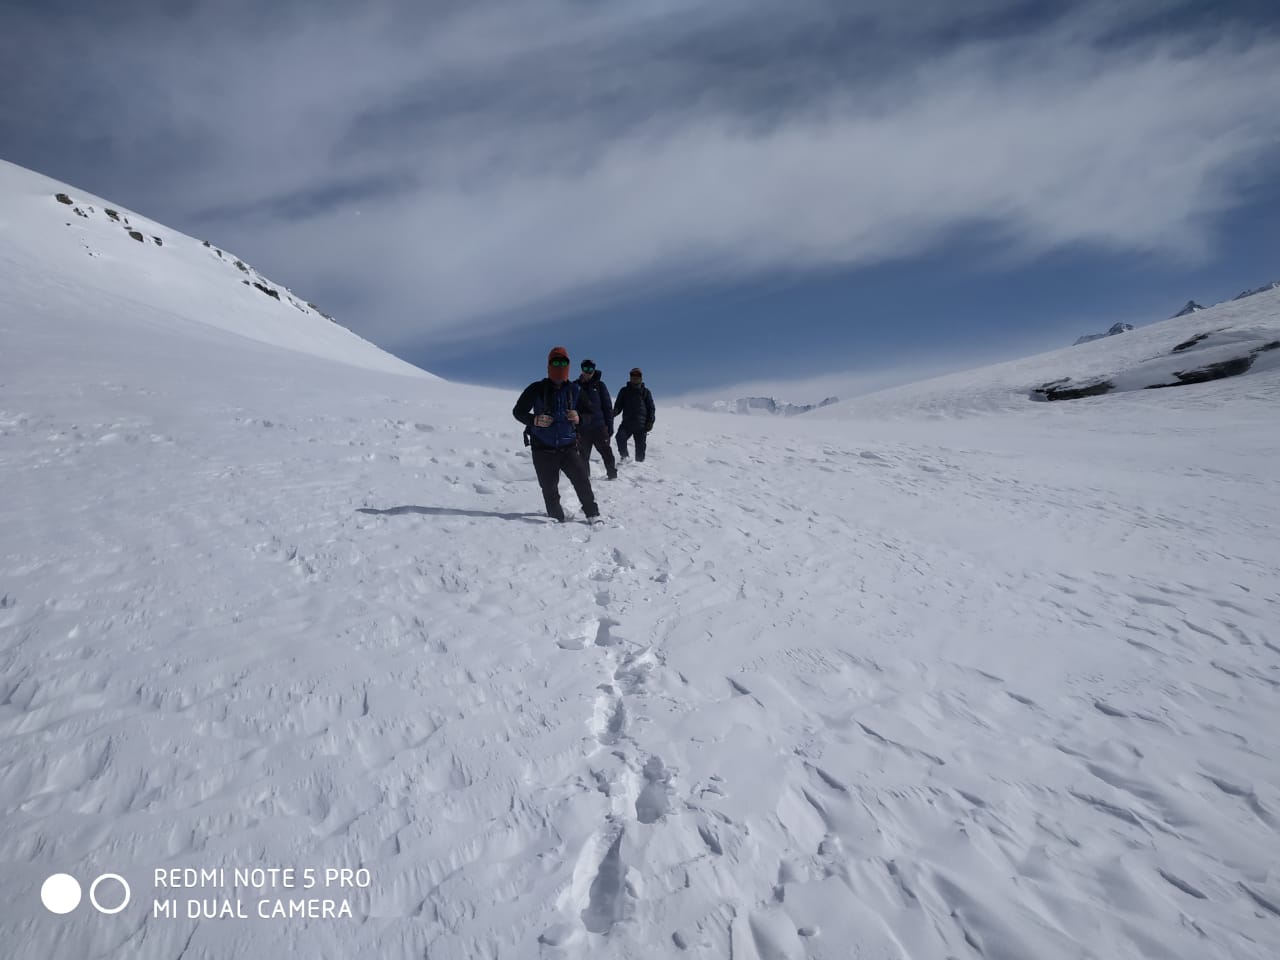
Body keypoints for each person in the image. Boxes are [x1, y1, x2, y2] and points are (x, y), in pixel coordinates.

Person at [513, 346, 601, 523]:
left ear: (568, 366)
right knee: (549, 487)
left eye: (563, 362)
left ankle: (592, 514)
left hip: (568, 447)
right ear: (548, 366)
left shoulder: (575, 390)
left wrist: (579, 417)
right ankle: (555, 518)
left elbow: (591, 414)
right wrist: (535, 420)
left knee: (582, 480)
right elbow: (518, 411)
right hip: (542, 449)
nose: (559, 366)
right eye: (555, 362)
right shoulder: (536, 389)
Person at [576, 358, 618, 480]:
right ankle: (585, 479)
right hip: (583, 428)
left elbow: (607, 407)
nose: (588, 371)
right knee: (582, 456)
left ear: (594, 370)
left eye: (590, 369)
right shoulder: (575, 386)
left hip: (599, 427)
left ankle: (612, 475)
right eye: (585, 368)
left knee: (606, 452)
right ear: (581, 369)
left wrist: (609, 426)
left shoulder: (600, 386)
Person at [613, 367, 655, 463]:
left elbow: (651, 408)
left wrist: (650, 421)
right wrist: (614, 412)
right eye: (633, 375)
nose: (635, 377)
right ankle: (625, 458)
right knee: (620, 437)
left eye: (637, 375)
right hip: (627, 423)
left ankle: (639, 467)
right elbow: (618, 406)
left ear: (641, 377)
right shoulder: (624, 391)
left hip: (641, 425)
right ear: (630, 377)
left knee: (640, 448)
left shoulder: (646, 392)